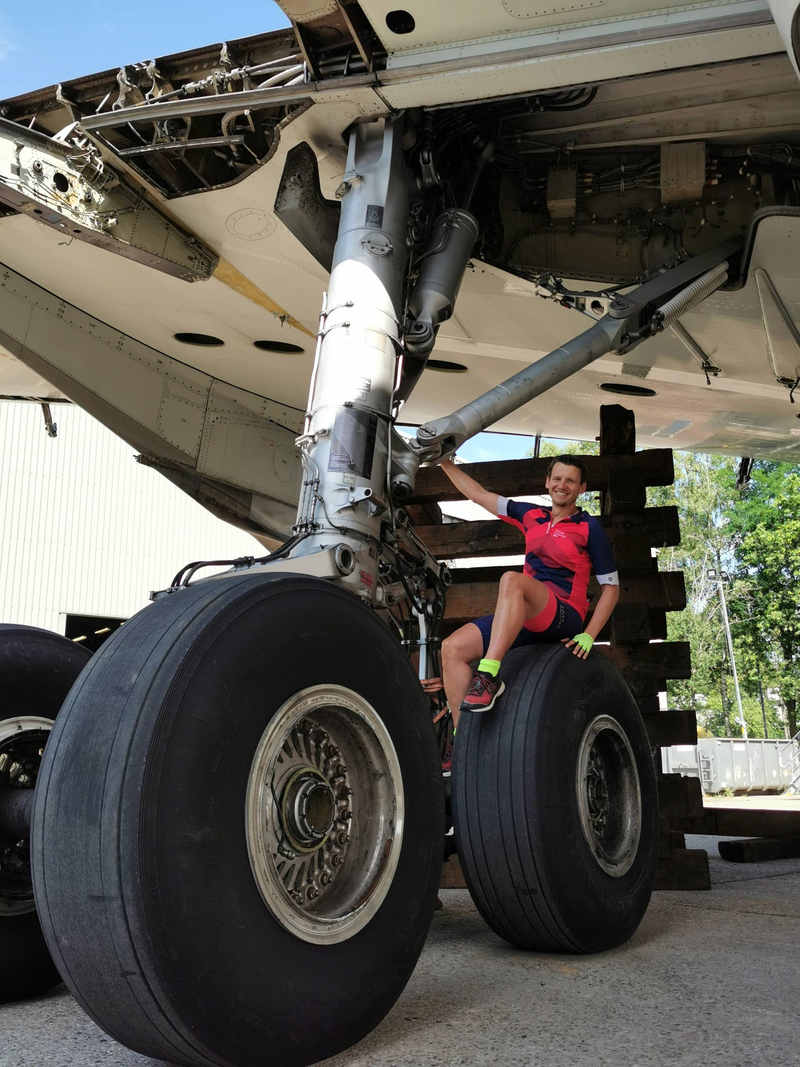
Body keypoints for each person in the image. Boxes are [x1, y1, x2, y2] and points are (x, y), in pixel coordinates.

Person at [440, 454, 620, 725]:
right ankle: (462, 740)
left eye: (571, 481)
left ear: (582, 488)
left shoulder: (588, 527)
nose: (563, 485)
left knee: (512, 580)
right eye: (557, 478)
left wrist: (589, 635)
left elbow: (612, 589)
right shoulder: (530, 515)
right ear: (547, 482)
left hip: (564, 616)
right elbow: (478, 494)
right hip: (527, 617)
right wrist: (443, 462)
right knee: (452, 648)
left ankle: (488, 675)